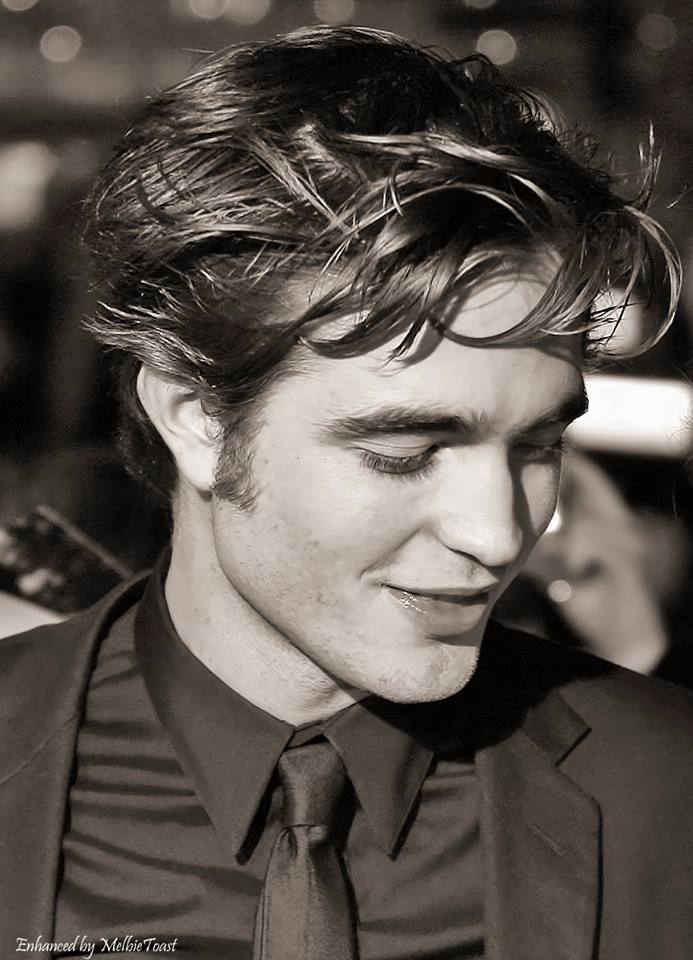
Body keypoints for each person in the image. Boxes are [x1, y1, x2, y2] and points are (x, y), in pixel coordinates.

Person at [1, 25, 691, 960]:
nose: (496, 534)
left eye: (537, 444)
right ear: (197, 420)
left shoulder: (666, 789)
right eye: (406, 452)